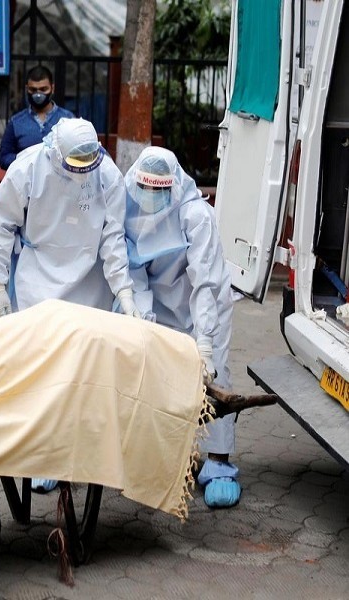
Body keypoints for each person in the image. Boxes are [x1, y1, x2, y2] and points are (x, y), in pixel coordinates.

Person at [0, 117, 140, 493]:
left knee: (84, 373)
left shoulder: (106, 175)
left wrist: (125, 293)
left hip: (89, 281)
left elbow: (113, 238)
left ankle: (86, 453)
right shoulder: (28, 168)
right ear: (56, 151)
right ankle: (45, 455)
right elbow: (1, 224)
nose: (81, 171)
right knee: (43, 373)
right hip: (39, 278)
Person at [121, 146, 239, 508]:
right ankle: (166, 456)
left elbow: (205, 281)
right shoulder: (128, 208)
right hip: (159, 305)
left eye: (160, 190)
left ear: (173, 186)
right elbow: (133, 272)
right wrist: (143, 318)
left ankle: (219, 463)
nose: (152, 197)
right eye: (146, 187)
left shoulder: (196, 215)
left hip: (204, 306)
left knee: (212, 378)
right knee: (160, 379)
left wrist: (204, 341)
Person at [0, 65, 74, 170]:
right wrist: (28, 159)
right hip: (26, 183)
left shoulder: (68, 119)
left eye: (43, 89)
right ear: (26, 89)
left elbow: (77, 153)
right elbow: (3, 158)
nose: (38, 94)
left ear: (52, 88)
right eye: (33, 90)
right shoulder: (16, 122)